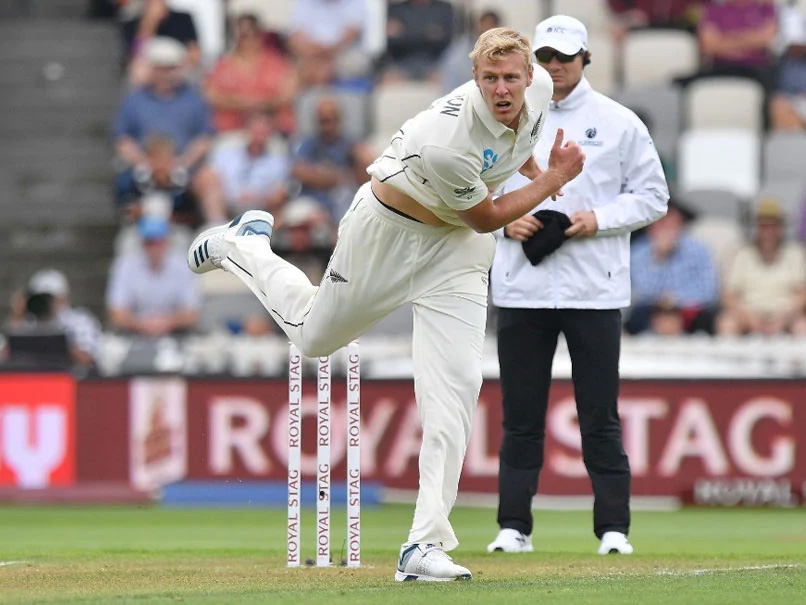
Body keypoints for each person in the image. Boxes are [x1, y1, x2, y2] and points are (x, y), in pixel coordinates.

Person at [187, 27, 584, 581]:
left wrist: (539, 171)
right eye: (490, 78)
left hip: (456, 252)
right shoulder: (445, 139)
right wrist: (557, 180)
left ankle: (423, 546)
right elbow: (490, 217)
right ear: (473, 79)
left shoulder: (537, 87)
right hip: (389, 233)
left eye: (510, 77)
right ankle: (244, 246)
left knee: (457, 388)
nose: (502, 88)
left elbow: (512, 152)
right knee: (316, 336)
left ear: (527, 75)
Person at [486, 16, 669, 556]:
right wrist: (501, 220)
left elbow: (653, 197)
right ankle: (513, 527)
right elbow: (464, 187)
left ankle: (614, 530)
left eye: (565, 56)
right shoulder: (500, 120)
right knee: (520, 418)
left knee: (599, 417)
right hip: (522, 286)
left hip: (595, 290)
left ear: (586, 57)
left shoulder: (619, 121)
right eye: (544, 56)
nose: (555, 65)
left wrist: (596, 218)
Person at [113, 37, 214, 178]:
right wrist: (145, 163)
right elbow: (122, 139)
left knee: (209, 181)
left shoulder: (194, 100)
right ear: (152, 69)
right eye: (162, 68)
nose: (168, 74)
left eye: (172, 68)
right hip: (142, 169)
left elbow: (204, 138)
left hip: (185, 168)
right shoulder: (134, 100)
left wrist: (182, 163)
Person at [716, 198, 806, 336]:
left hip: (786, 315)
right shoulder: (742, 254)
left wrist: (784, 318)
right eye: (763, 226)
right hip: (748, 313)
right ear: (756, 227)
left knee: (803, 326)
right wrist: (749, 318)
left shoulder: (795, 253)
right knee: (726, 323)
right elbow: (728, 295)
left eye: (772, 226)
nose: (768, 232)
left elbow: (802, 294)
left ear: (780, 227)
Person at [627, 202, 720, 335]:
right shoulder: (638, 252)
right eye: (661, 222)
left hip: (689, 313)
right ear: (650, 226)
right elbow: (641, 292)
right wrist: (659, 258)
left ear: (681, 224)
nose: (666, 228)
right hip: (652, 313)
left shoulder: (700, 250)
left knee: (707, 319)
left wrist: (676, 303)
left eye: (671, 222)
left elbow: (709, 292)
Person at [204, 13, 296, 136]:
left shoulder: (277, 63)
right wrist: (244, 103)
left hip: (272, 132)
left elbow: (287, 94)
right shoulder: (222, 65)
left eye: (252, 33)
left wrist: (258, 104)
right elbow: (212, 95)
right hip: (230, 133)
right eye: (242, 35)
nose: (247, 40)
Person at [108, 216, 200, 337]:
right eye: (149, 243)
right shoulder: (124, 265)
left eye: (158, 242)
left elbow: (192, 313)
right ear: (142, 244)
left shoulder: (184, 265)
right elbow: (116, 314)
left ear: (167, 242)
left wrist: (167, 323)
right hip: (134, 333)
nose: (154, 248)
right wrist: (142, 325)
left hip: (176, 333)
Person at [195, 110, 291, 224]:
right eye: (256, 130)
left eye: (264, 131)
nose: (259, 134)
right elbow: (207, 177)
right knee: (208, 181)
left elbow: (279, 193)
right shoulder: (227, 153)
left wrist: (257, 198)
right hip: (227, 203)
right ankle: (216, 227)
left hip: (260, 207)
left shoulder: (278, 161)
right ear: (247, 130)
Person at [291, 97, 373, 223]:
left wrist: (319, 176)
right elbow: (299, 172)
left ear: (338, 120)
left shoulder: (349, 143)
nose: (326, 126)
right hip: (313, 199)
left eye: (329, 120)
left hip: (341, 200)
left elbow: (364, 177)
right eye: (322, 121)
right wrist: (336, 177)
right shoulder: (310, 142)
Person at [6, 269, 102, 370]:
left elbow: (89, 360)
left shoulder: (80, 321)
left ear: (64, 298)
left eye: (50, 299)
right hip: (33, 378)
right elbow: (7, 355)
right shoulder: (28, 322)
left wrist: (59, 345)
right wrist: (18, 315)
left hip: (69, 377)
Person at [382, 0, 455, 83]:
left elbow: (447, 40)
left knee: (447, 80)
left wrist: (404, 32)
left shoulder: (444, 9)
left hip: (435, 63)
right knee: (387, 80)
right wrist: (427, 32)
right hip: (401, 63)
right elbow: (390, 42)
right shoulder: (396, 9)